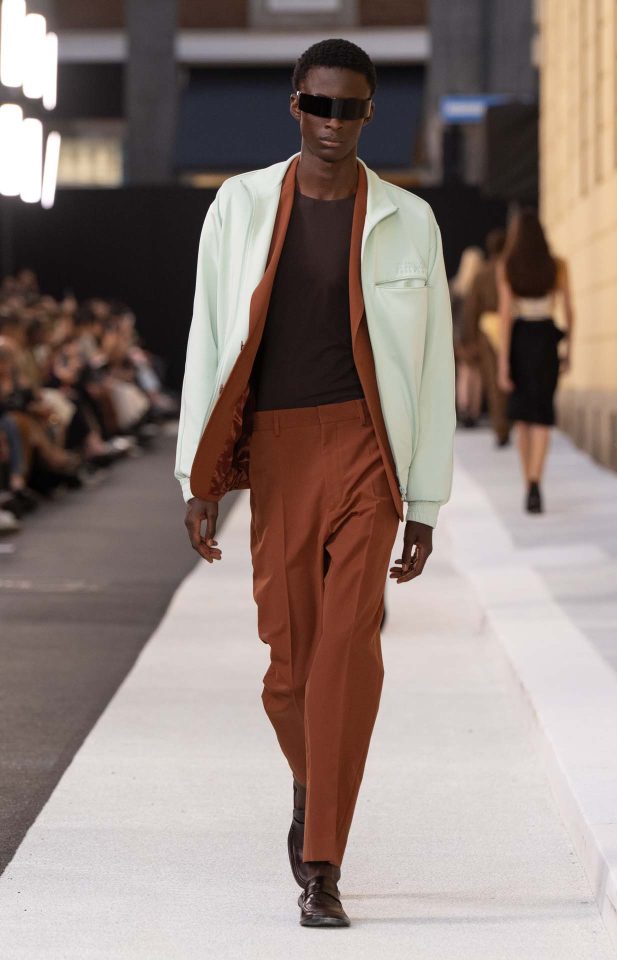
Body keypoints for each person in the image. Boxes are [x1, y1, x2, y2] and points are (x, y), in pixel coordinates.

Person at [175, 38, 455, 927]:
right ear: (295, 104)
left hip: (368, 446)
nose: (336, 123)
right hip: (280, 448)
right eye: (321, 105)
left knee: (347, 649)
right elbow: (208, 339)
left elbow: (434, 367)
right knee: (289, 668)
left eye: (353, 108)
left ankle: (323, 864)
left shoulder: (409, 219)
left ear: (370, 113)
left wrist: (425, 499)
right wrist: (196, 474)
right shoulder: (241, 205)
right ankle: (312, 784)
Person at [497, 209, 574, 513]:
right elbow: (570, 310)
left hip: (520, 339)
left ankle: (527, 481)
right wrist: (570, 349)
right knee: (542, 414)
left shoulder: (509, 266)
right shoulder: (557, 265)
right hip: (546, 339)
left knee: (522, 417)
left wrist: (503, 362)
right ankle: (536, 481)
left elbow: (505, 315)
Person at [462, 228, 511, 446]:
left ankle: (500, 427)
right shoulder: (511, 269)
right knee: (511, 378)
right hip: (511, 326)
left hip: (488, 329)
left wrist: (469, 339)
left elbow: (471, 308)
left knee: (493, 381)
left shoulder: (482, 275)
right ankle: (509, 422)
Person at [449, 246, 484, 427]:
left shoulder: (456, 287)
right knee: (476, 373)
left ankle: (463, 409)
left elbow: (450, 315)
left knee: (464, 372)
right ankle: (474, 412)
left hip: (459, 336)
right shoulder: (481, 287)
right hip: (477, 335)